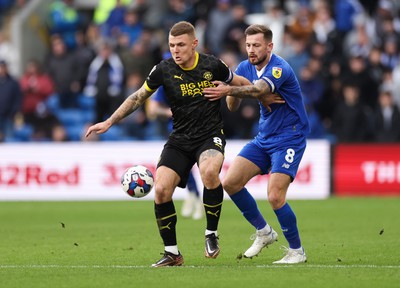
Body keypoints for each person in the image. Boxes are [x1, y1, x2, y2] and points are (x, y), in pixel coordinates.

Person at [85, 21, 276, 267]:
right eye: (172, 45)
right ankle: (172, 253)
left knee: (209, 172)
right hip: (180, 139)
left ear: (194, 44)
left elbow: (238, 83)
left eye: (181, 45)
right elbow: (138, 97)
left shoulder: (213, 65)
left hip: (209, 135)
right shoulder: (162, 70)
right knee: (162, 190)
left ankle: (211, 234)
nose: (176, 50)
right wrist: (109, 121)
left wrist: (252, 95)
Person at [203, 24, 309, 264]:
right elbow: (232, 106)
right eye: (248, 45)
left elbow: (261, 88)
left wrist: (235, 89)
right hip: (264, 137)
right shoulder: (243, 68)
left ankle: (297, 251)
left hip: (289, 137)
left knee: (275, 196)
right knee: (230, 182)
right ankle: (264, 232)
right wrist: (232, 88)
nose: (251, 50)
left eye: (257, 45)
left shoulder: (280, 68)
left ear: (269, 46)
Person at [148, 85, 204, 220]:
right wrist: (168, 111)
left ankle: (195, 196)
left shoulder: (195, 81)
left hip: (201, 129)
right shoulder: (165, 86)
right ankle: (194, 195)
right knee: (184, 166)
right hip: (177, 131)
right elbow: (152, 109)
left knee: (198, 167)